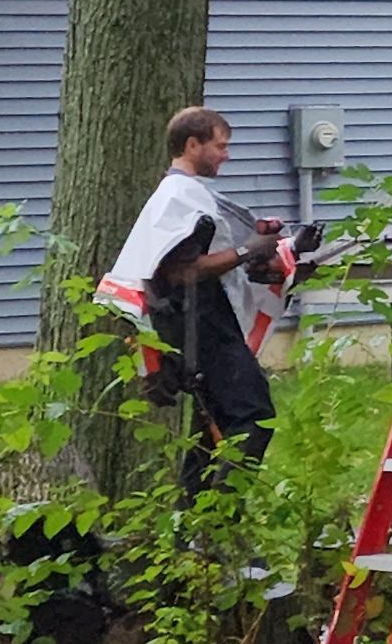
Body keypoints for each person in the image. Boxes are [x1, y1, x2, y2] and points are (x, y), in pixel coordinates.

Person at [95, 107, 288, 483]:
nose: (226, 155)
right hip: (201, 328)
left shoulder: (187, 195)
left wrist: (262, 258)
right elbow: (182, 270)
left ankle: (192, 531)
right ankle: (219, 515)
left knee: (210, 429)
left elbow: (203, 261)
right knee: (254, 417)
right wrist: (249, 250)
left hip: (202, 325)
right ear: (192, 144)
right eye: (220, 146)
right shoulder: (177, 197)